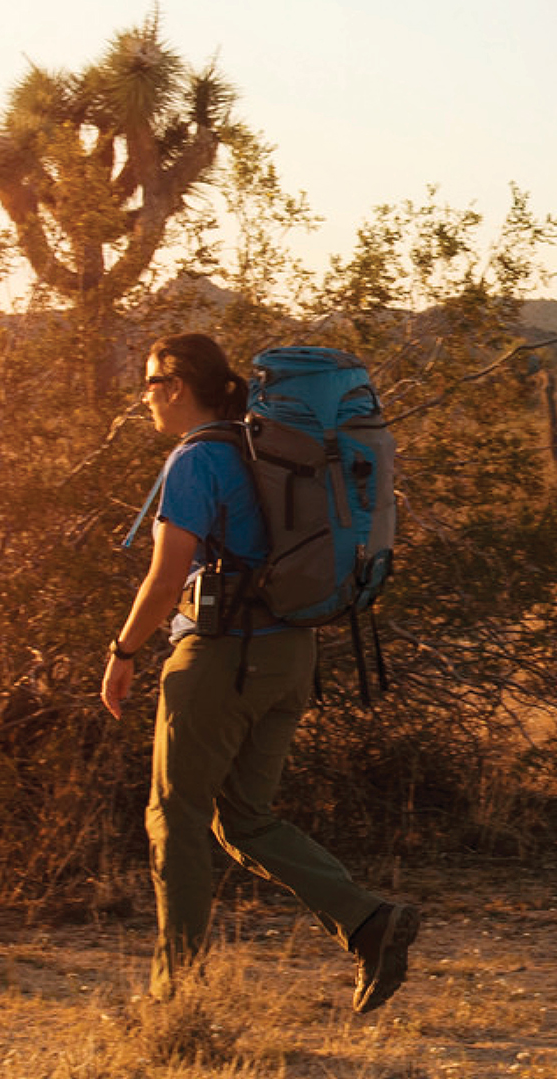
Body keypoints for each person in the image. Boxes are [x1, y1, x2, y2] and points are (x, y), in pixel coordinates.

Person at [102, 332, 419, 1008]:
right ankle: (369, 922)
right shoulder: (264, 447)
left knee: (175, 818)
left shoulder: (197, 459)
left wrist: (122, 653)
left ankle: (174, 995)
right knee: (242, 818)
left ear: (179, 386)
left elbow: (164, 580)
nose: (147, 398)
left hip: (222, 657)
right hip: (290, 655)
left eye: (151, 383)